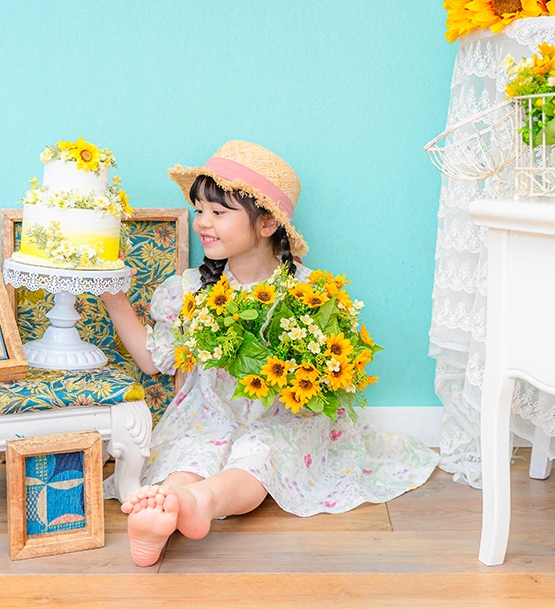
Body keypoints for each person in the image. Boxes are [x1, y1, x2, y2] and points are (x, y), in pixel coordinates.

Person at [101, 140, 438, 566]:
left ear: (265, 224)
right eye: (199, 209)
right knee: (192, 449)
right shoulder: (191, 291)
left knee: (260, 452)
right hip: (211, 414)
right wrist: (114, 298)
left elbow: (332, 371)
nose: (203, 222)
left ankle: (200, 501)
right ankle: (166, 503)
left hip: (285, 418)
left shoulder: (308, 294)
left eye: (219, 212)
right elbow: (154, 361)